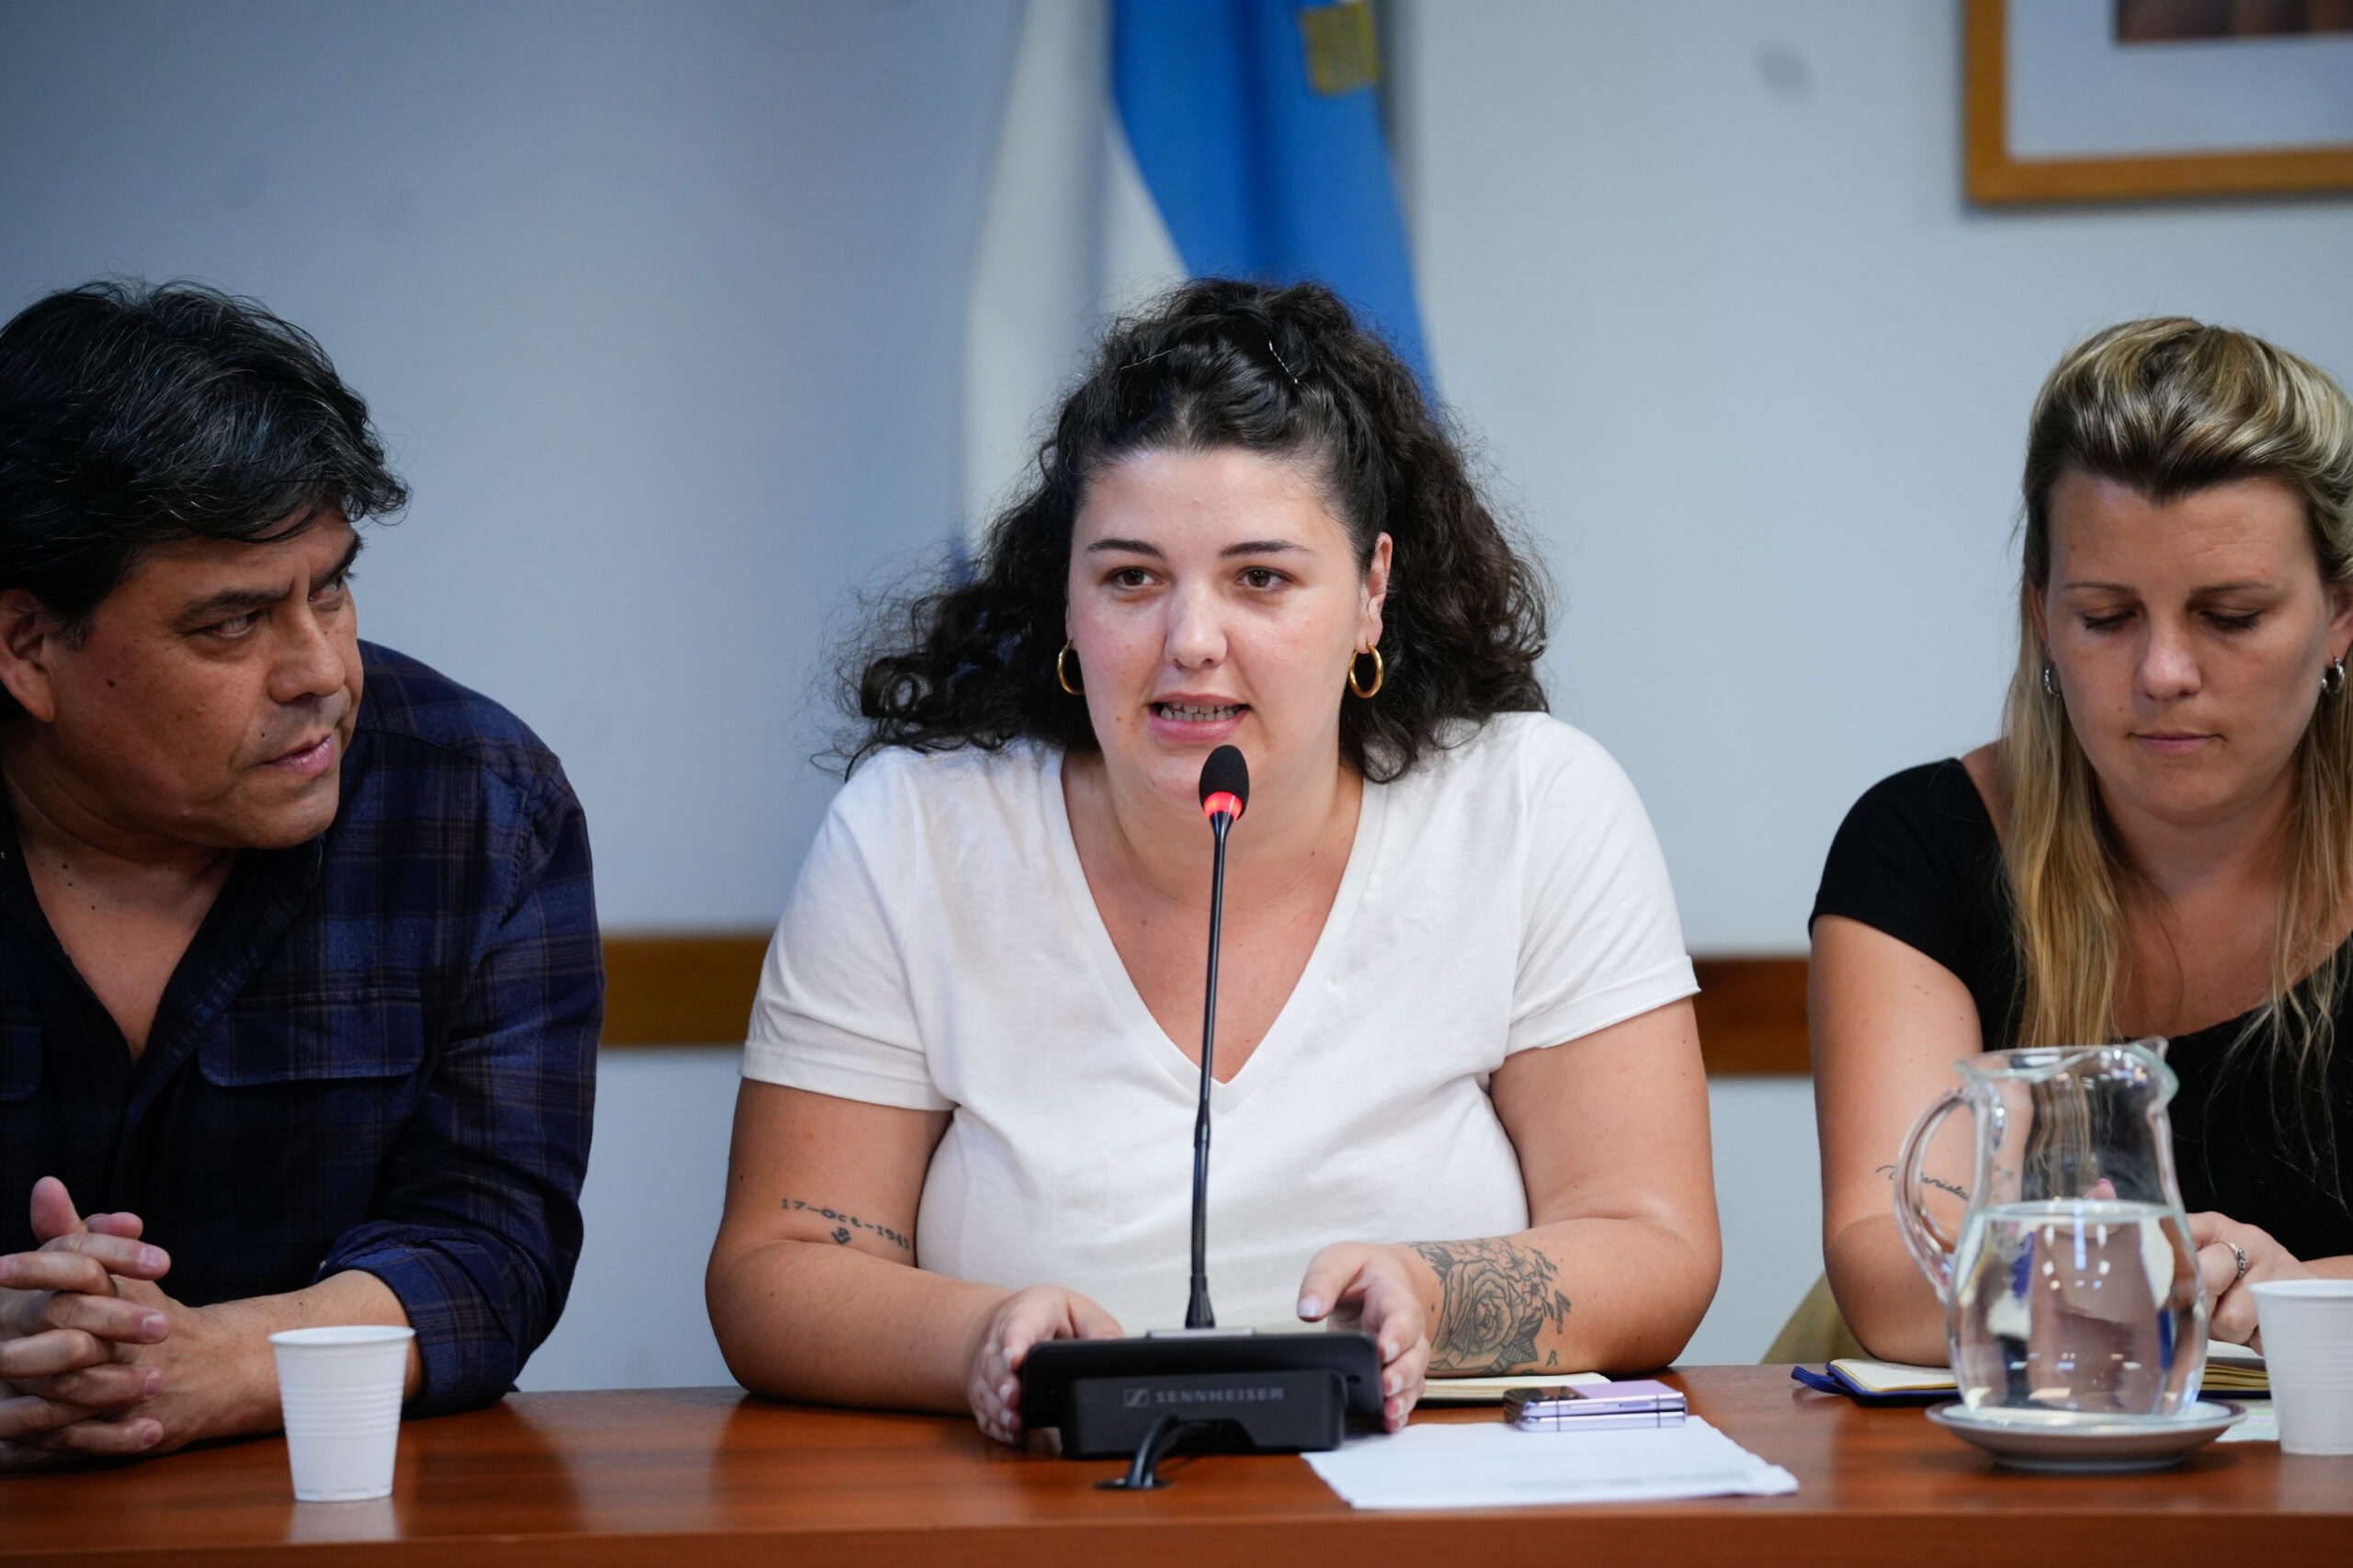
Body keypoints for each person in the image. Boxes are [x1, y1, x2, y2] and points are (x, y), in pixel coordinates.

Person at [707, 278, 1719, 1442]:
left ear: (1370, 593)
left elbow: (1654, 1242)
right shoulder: (918, 830)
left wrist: (1434, 1297)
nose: (1190, 639)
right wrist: (982, 1339)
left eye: (1260, 578)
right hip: (1041, 1501)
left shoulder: (1531, 804)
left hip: (1416, 1508)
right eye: (1130, 577)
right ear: (1067, 600)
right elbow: (775, 1265)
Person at [0, 281, 601, 1469]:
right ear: (27, 646)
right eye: (230, 624)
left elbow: (491, 1243)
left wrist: (208, 1363)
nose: (321, 670)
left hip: (336, 1513)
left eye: (329, 587)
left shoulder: (477, 803)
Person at [1813, 318, 2353, 1365]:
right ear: (2042, 619)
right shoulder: (1920, 843)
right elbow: (1891, 1269)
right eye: (2106, 616)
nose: (2163, 673)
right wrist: (2150, 1278)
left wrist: (2296, 1293)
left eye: (2230, 615)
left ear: (2340, 613)